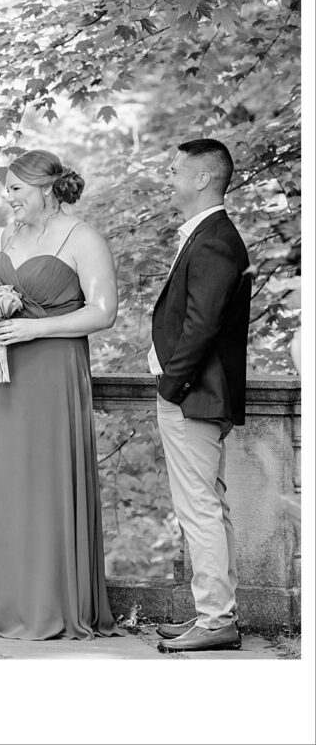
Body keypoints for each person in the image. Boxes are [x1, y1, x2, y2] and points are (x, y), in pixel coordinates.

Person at [0, 149, 121, 640]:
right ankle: (11, 604)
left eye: (15, 188)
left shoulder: (84, 238)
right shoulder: (8, 236)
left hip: (55, 372)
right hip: (9, 375)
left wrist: (37, 331)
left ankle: (53, 605)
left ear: (45, 189)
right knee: (13, 481)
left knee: (49, 481)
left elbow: (102, 312)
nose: (7, 197)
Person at [150, 139, 252, 653]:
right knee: (210, 507)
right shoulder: (207, 235)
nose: (169, 176)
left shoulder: (214, 240)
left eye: (175, 170)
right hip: (199, 396)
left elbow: (201, 326)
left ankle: (215, 620)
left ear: (202, 179)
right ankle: (214, 613)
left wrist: (172, 388)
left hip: (194, 397)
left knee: (200, 510)